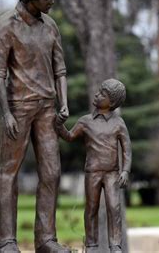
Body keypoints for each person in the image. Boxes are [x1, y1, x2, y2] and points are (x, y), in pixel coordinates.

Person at [0, 0, 70, 252]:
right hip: (18, 108)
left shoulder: (50, 26)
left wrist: (64, 103)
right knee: (8, 172)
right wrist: (6, 113)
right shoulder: (6, 26)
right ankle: (6, 241)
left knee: (52, 172)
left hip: (47, 109)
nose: (52, 1)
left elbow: (60, 69)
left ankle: (46, 239)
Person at [55, 79, 132, 253]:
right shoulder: (85, 121)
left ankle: (115, 245)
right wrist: (59, 124)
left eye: (102, 94)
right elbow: (68, 136)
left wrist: (125, 171)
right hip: (93, 172)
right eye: (98, 92)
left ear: (111, 102)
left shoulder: (118, 123)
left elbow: (127, 149)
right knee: (91, 208)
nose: (97, 95)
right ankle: (91, 245)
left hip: (112, 173)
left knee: (114, 208)